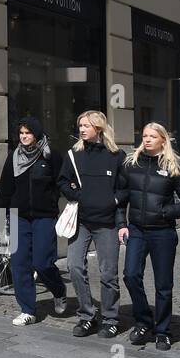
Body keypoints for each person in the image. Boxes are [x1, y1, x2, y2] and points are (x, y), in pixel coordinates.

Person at [121, 123, 180, 351]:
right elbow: (121, 196)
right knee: (130, 275)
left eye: (152, 136)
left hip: (162, 233)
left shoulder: (173, 166)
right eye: (144, 135)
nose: (147, 139)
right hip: (136, 231)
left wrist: (167, 212)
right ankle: (144, 321)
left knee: (163, 284)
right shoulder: (132, 164)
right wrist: (120, 224)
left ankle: (163, 331)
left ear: (163, 140)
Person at [58, 110, 128, 339]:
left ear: (98, 128)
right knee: (74, 266)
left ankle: (110, 319)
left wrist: (113, 201)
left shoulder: (116, 156)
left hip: (107, 224)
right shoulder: (73, 154)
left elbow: (124, 188)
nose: (81, 129)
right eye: (80, 125)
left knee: (108, 274)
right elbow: (62, 181)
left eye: (86, 125)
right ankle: (87, 316)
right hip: (81, 222)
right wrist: (78, 196)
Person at [0, 116, 68, 326]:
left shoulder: (51, 156)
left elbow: (60, 183)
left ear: (37, 134)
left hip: (44, 217)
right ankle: (28, 309)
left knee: (42, 262)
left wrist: (53, 202)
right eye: (21, 133)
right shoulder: (14, 157)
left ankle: (58, 289)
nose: (24, 137)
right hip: (19, 217)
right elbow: (5, 190)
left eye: (28, 133)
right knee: (19, 264)